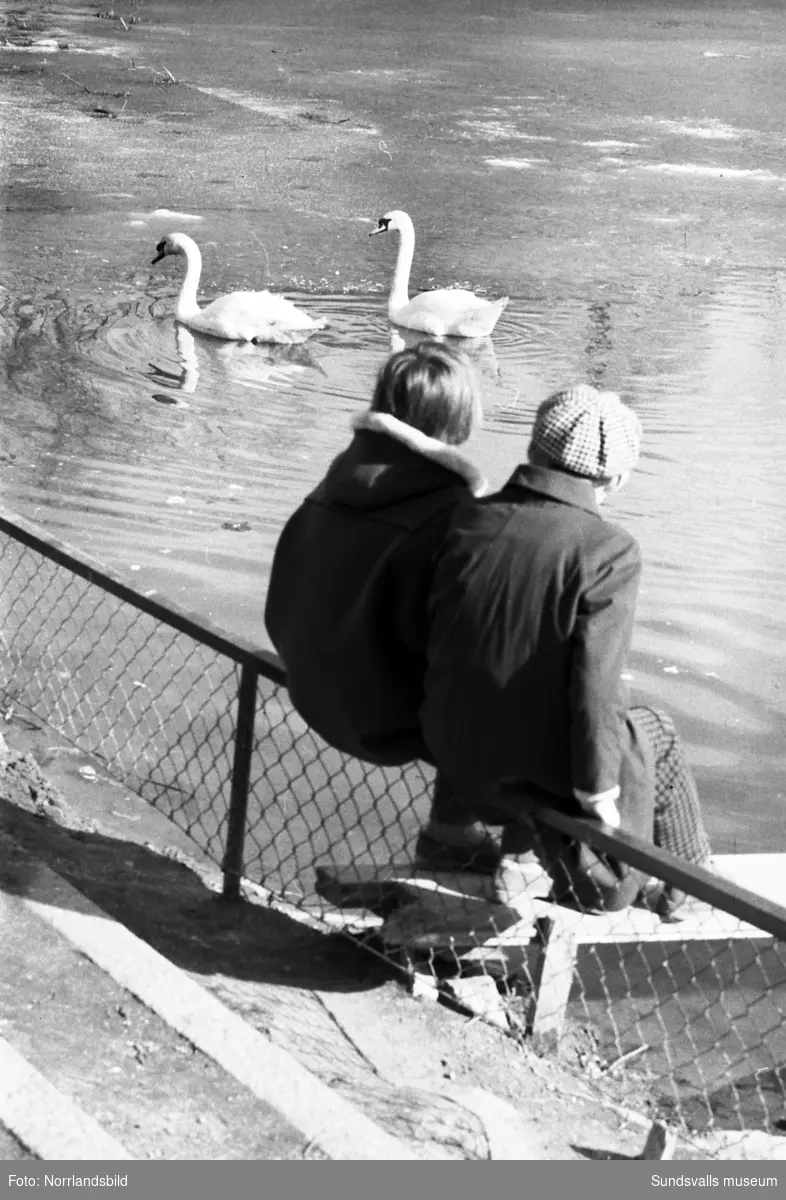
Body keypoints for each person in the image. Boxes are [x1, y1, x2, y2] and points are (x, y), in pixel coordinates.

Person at [421, 384, 713, 918]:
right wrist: (601, 796)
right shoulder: (608, 550)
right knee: (659, 736)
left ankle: (457, 839)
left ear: (533, 448)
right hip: (534, 769)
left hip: (453, 747)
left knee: (494, 672)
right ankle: (684, 889)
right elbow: (594, 691)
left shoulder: (467, 518)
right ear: (617, 477)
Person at [264, 339, 500, 872]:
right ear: (459, 415)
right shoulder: (455, 513)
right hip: (379, 713)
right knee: (508, 676)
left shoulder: (337, 479)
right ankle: (457, 833)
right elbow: (451, 643)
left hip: (305, 683)